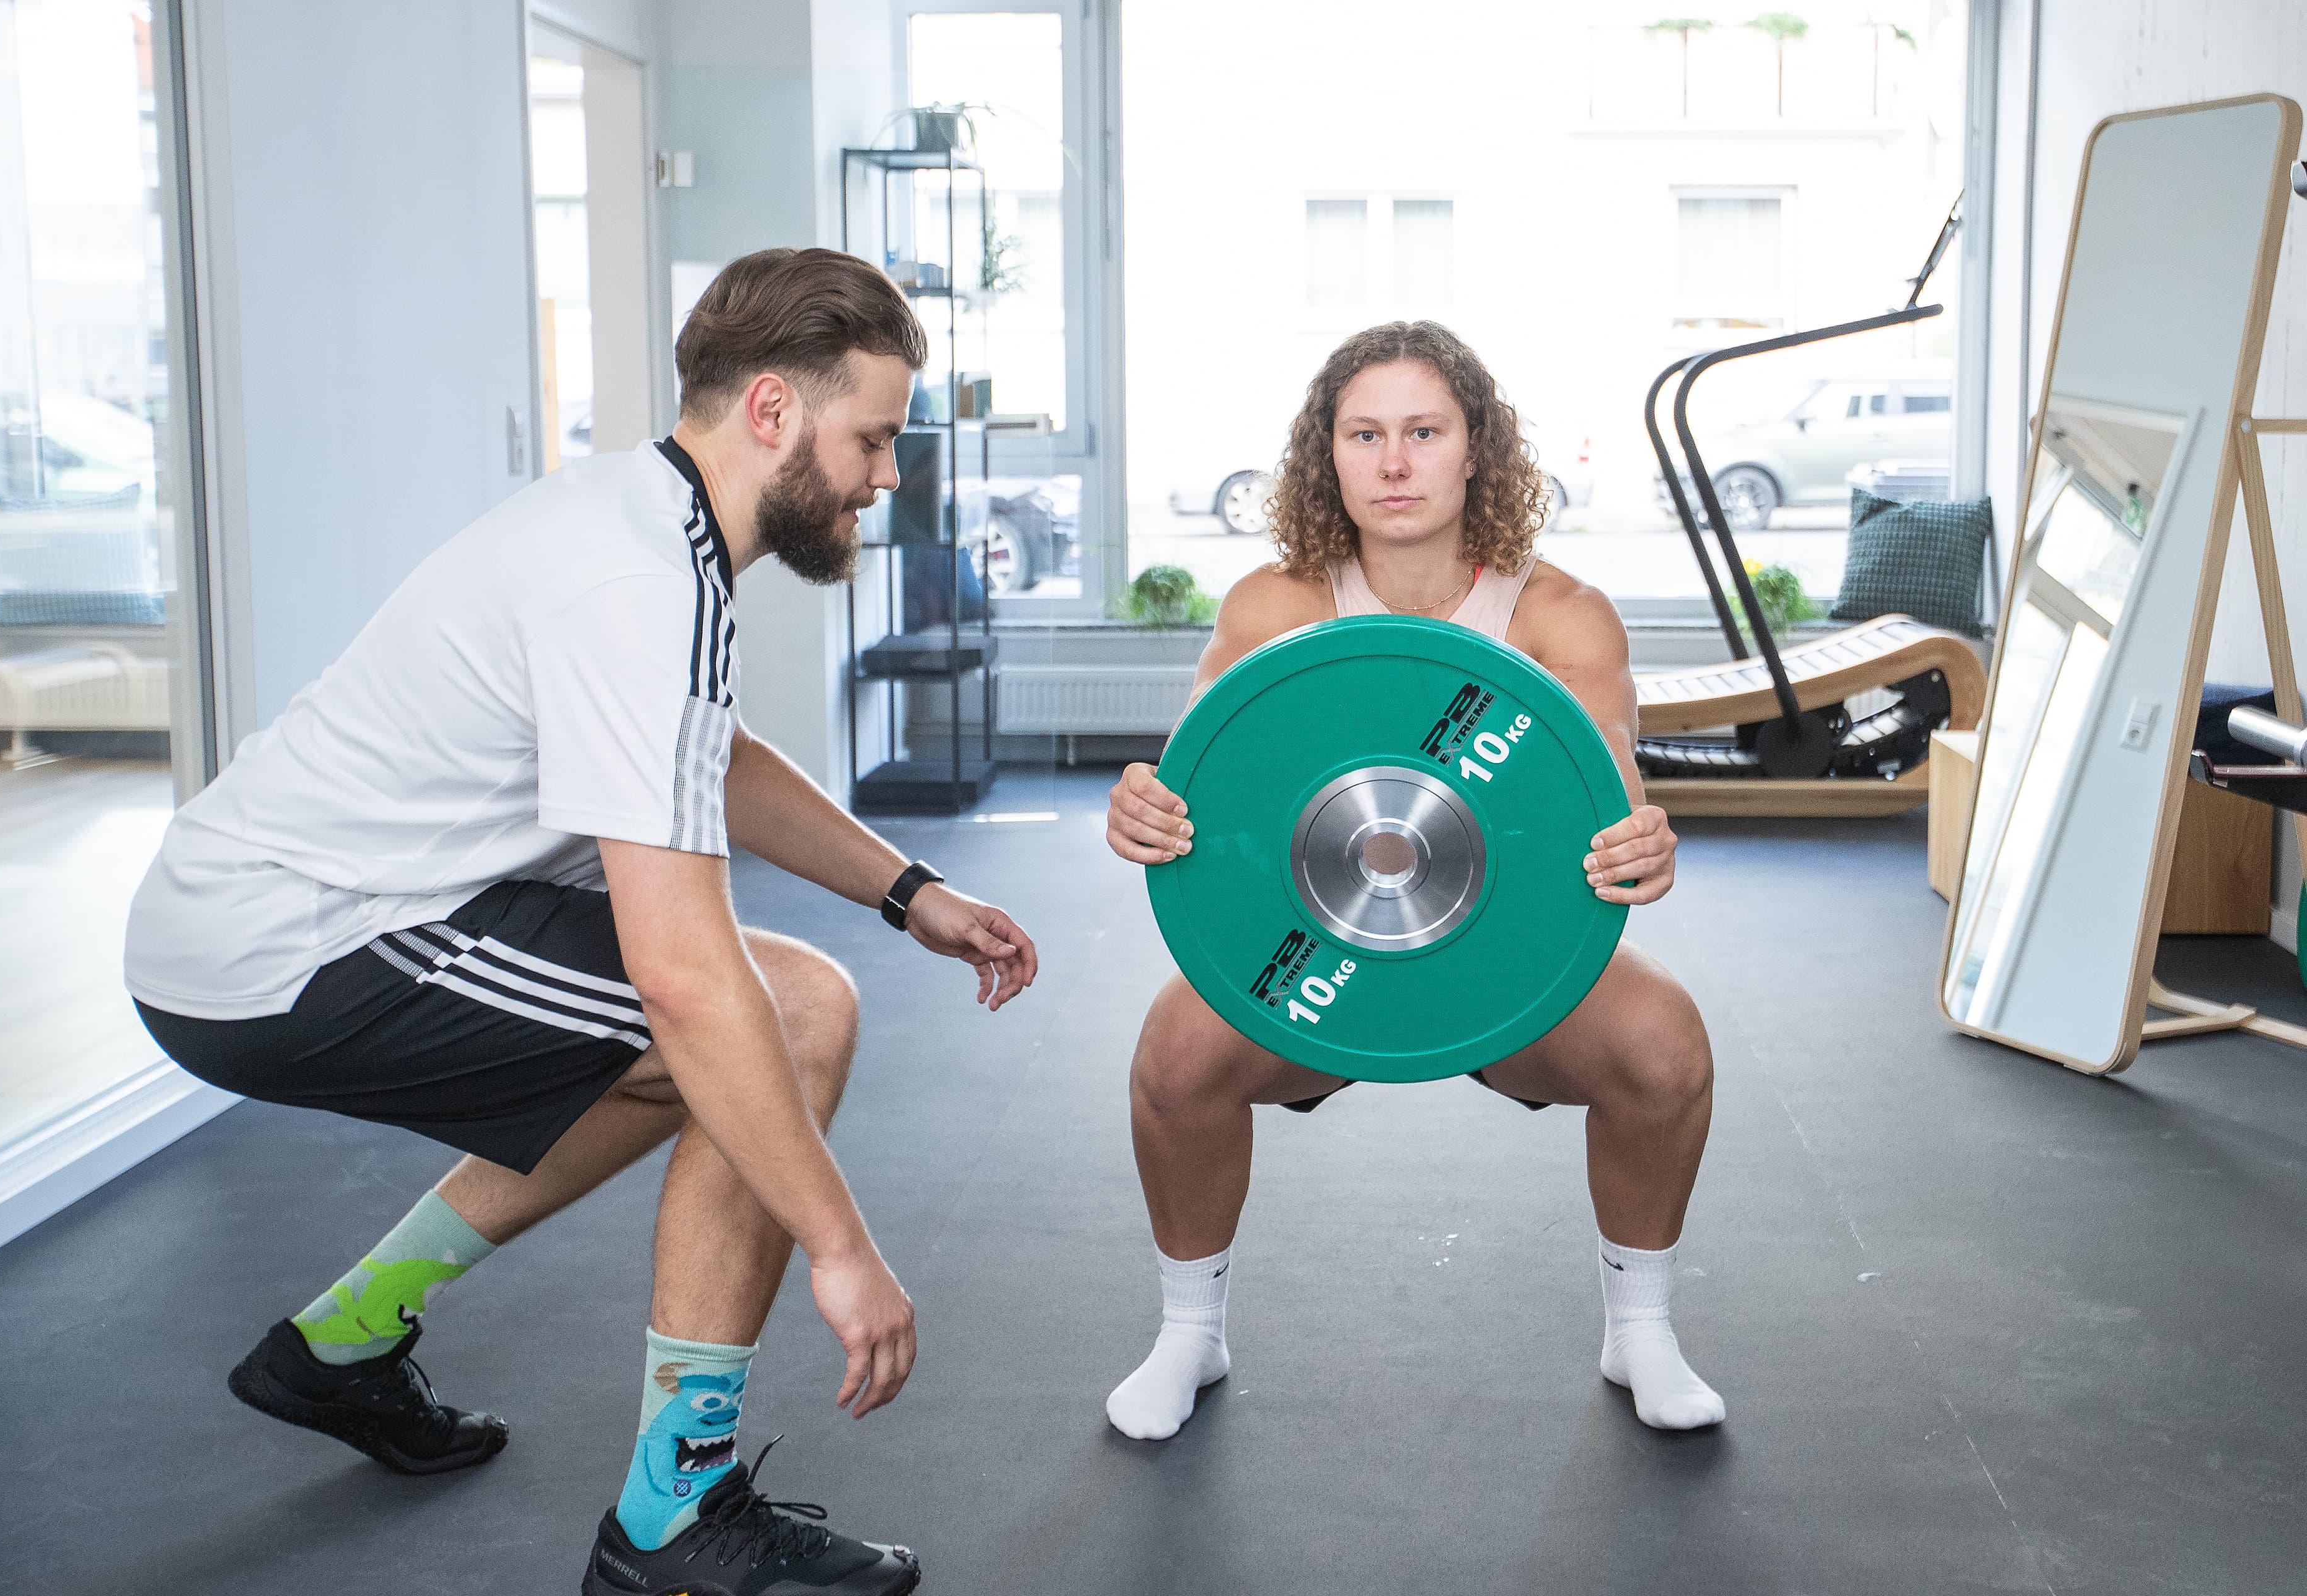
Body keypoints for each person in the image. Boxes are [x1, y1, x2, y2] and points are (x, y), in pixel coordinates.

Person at [124, 248, 1036, 1596]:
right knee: (774, 1018)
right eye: (876, 438)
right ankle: (675, 1515)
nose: (887, 477)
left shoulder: (647, 520)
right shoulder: (639, 580)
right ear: (774, 411)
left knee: (730, 1040)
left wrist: (909, 892)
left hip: (344, 902)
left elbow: (705, 753)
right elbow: (683, 975)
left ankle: (347, 1339)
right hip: (287, 944)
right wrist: (844, 1250)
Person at [1102, 320, 1722, 1443]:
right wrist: (1145, 812)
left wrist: (1642, 851)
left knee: (1666, 1045)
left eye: (1424, 432)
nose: (1394, 463)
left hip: (1500, 967)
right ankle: (1189, 1331)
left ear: (1474, 448)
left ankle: (1643, 1330)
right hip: (1321, 959)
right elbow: (1207, 807)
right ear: (1326, 454)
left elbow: (1606, 821)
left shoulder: (1557, 616)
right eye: (1366, 434)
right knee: (1175, 1057)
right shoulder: (1273, 610)